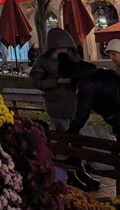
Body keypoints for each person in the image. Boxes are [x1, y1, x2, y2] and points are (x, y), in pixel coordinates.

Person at [59, 53, 115, 192]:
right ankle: (76, 169)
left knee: (78, 134)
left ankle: (74, 168)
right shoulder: (102, 73)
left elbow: (81, 116)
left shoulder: (86, 84)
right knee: (83, 133)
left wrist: (69, 135)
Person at [30, 28, 80, 131]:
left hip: (74, 102)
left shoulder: (74, 57)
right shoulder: (43, 61)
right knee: (62, 133)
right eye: (60, 48)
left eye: (65, 48)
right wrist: (57, 81)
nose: (63, 51)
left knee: (76, 135)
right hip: (56, 104)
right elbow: (37, 81)